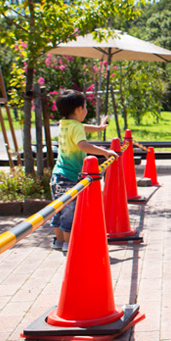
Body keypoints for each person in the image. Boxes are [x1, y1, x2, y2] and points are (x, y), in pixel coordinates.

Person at [49, 90, 117, 252]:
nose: (86, 110)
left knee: (58, 210)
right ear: (79, 109)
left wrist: (99, 128)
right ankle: (69, 244)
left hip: (57, 176)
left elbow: (82, 128)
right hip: (70, 177)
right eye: (85, 107)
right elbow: (83, 145)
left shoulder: (64, 124)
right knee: (69, 213)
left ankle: (58, 241)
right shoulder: (76, 127)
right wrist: (105, 152)